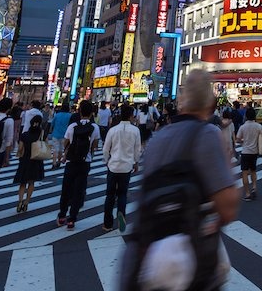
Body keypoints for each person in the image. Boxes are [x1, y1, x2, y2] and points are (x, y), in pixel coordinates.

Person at [118, 69, 239, 291]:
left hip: (148, 255)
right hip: (189, 259)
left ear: (182, 101)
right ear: (211, 103)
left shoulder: (158, 138)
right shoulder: (208, 134)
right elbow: (228, 208)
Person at [57, 100, 100, 230]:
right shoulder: (95, 128)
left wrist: (66, 154)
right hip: (84, 162)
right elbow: (94, 146)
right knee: (78, 190)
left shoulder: (72, 126)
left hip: (71, 161)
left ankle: (62, 215)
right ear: (92, 113)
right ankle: (72, 219)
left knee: (66, 189)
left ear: (80, 111)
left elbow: (66, 142)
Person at [102, 103, 141, 232]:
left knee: (110, 195)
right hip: (126, 166)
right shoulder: (135, 130)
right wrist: (136, 162)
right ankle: (121, 215)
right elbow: (137, 149)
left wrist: (106, 161)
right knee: (123, 194)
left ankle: (107, 223)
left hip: (113, 165)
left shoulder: (113, 130)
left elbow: (106, 148)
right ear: (131, 116)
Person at [14, 114, 46, 214]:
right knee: (31, 182)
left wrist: (19, 155)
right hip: (36, 160)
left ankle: (20, 201)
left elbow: (20, 148)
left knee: (22, 183)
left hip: (25, 160)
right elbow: (45, 145)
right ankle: (27, 202)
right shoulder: (41, 134)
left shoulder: (24, 135)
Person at [235, 108, 262, 200]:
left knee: (245, 173)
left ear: (246, 116)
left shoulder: (243, 127)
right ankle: (254, 187)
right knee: (253, 171)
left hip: (245, 151)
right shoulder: (258, 126)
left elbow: (238, 138)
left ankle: (247, 193)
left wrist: (243, 141)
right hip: (254, 152)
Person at [49, 102, 73, 170]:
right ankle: (59, 161)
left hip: (55, 134)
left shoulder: (57, 115)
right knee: (61, 149)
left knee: (55, 149)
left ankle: (53, 163)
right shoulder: (70, 115)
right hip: (65, 135)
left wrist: (50, 130)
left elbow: (52, 123)